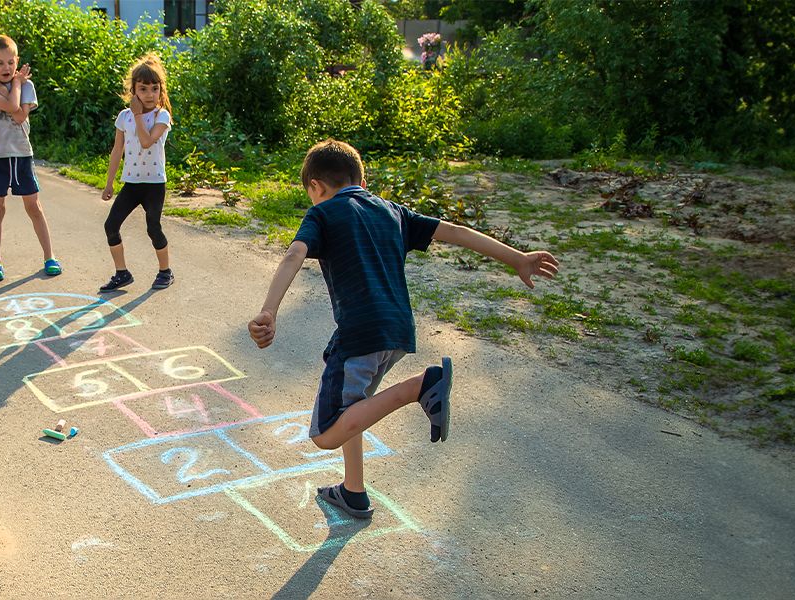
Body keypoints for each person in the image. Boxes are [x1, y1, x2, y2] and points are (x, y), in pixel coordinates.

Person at [248, 139, 560, 519]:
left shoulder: (324, 213)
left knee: (325, 434)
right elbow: (456, 232)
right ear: (361, 178)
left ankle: (420, 386)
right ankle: (353, 490)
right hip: (396, 329)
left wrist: (269, 310)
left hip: (360, 332)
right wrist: (517, 258)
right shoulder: (392, 211)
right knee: (355, 404)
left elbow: (295, 252)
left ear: (315, 187)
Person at [0, 34, 60, 282]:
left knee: (33, 206)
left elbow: (19, 116)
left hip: (22, 154)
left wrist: (9, 87)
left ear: (17, 62)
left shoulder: (27, 86)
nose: (6, 68)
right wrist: (12, 86)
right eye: (0, 63)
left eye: (10, 62)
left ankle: (50, 256)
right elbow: (13, 106)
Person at [98, 53, 175, 292]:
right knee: (111, 225)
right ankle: (122, 273)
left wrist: (139, 115)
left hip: (154, 184)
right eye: (143, 89)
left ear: (160, 90)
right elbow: (117, 150)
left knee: (153, 227)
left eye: (154, 88)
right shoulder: (124, 117)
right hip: (131, 183)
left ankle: (165, 271)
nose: (149, 94)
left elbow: (146, 141)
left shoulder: (162, 116)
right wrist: (109, 183)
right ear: (134, 91)